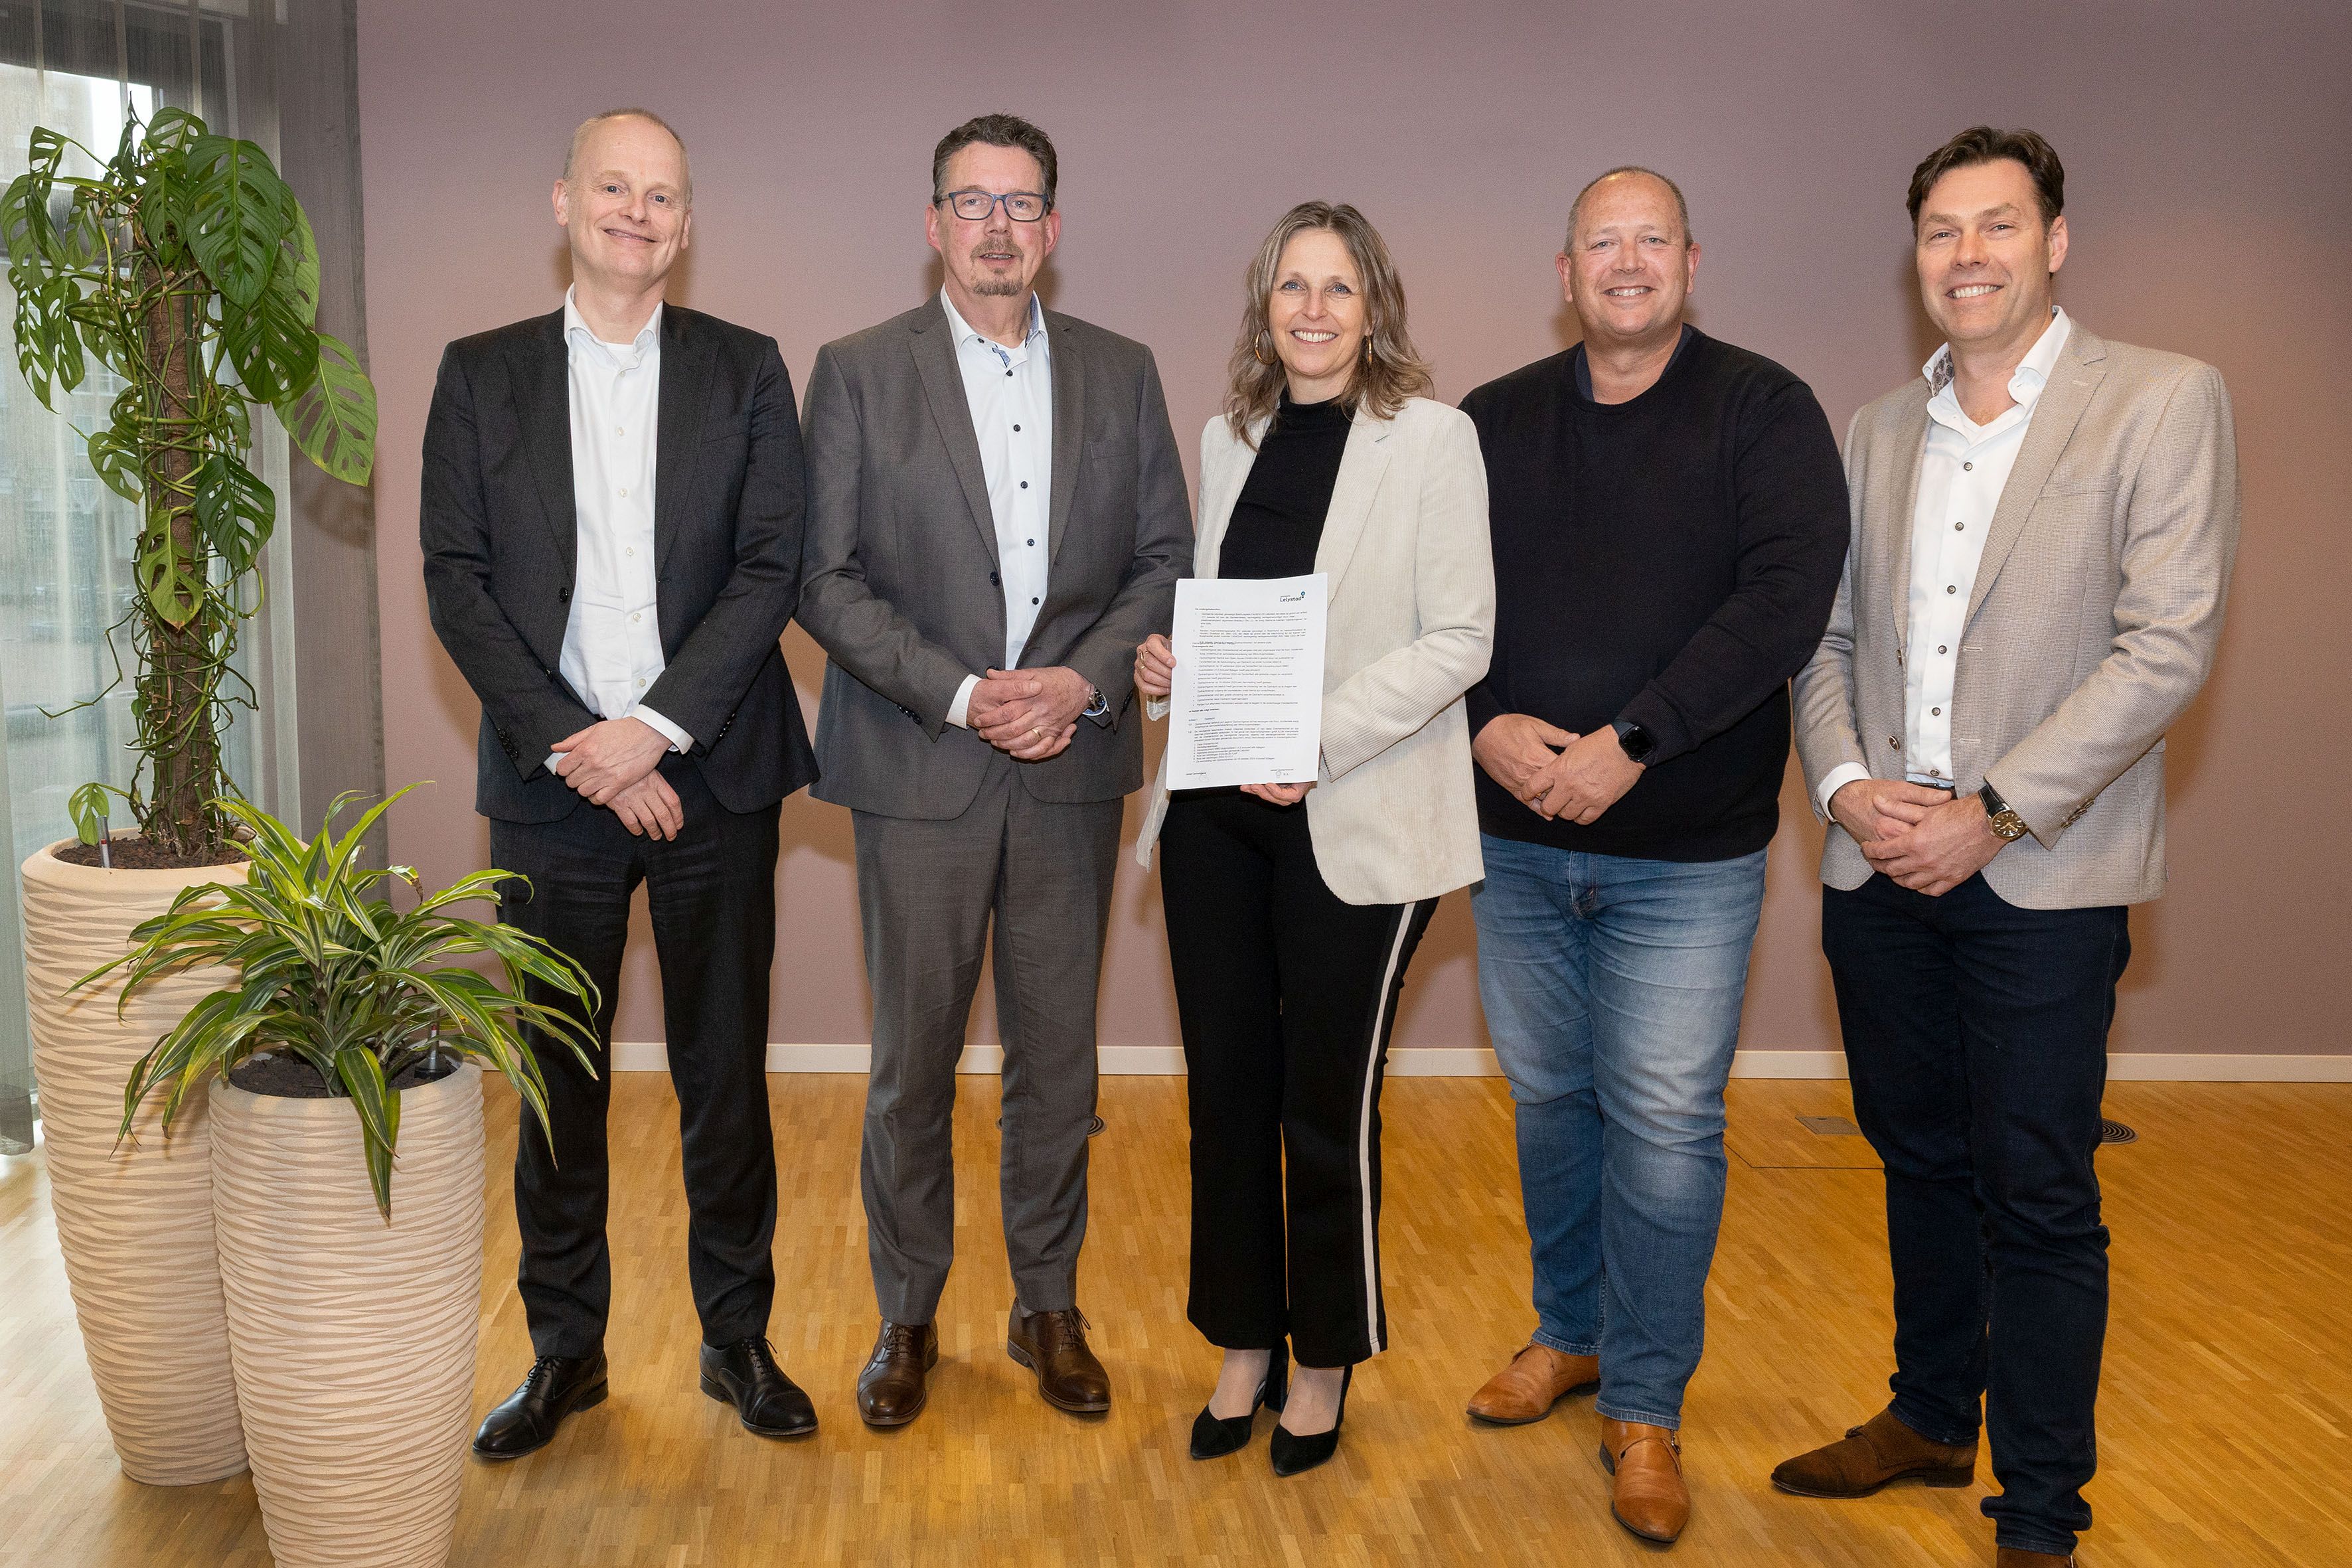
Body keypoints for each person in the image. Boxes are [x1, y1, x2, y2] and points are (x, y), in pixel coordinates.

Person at [1778, 127, 2238, 1568]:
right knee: (1911, 1154)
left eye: (1995, 226)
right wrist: (1849, 788)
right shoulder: (1871, 429)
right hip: (1877, 866)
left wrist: (1990, 811)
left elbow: (2162, 644)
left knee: (2035, 1187)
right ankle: (1927, 1412)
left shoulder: (2161, 400)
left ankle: (2038, 1506)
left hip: (2036, 872)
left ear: (2054, 241)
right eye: (1939, 232)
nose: (1964, 255)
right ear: (1912, 255)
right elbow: (1827, 638)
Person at [1457, 167, 1849, 1543]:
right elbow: (1429, 601)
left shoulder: (1763, 410)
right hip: (1507, 842)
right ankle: (1566, 1333)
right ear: (1562, 271)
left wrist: (1632, 736)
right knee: (1551, 1103)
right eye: (1598, 244)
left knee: (1669, 1129)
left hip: (1684, 850)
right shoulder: (1488, 420)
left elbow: (1785, 599)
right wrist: (1482, 719)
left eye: (1648, 240)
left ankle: (1646, 1403)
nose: (1624, 264)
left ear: (1689, 258)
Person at [422, 109, 819, 1457]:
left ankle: (736, 1341)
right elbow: (456, 583)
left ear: (686, 226)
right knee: (557, 1079)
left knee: (724, 1076)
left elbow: (770, 568)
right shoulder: (479, 375)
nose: (636, 212)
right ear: (562, 202)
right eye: (613, 187)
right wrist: (582, 747)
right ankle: (564, 1355)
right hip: (551, 788)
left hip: (711, 777)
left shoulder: (748, 370)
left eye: (662, 195)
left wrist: (650, 730)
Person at [796, 113, 1192, 1427]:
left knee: (1057, 1065)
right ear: (933, 226)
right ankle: (905, 1315)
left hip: (1070, 769)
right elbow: (823, 576)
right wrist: (967, 693)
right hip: (920, 767)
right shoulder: (855, 371)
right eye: (971, 202)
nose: (997, 226)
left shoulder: (1121, 372)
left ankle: (1046, 1303)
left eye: (1022, 204)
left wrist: (1076, 683)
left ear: (1053, 231)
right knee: (911, 1063)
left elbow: (1156, 558)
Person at [1134, 202, 1494, 1476]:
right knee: (1227, 1094)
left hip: (1361, 818)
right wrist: (1167, 667)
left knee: (1322, 1104)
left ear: (1375, 306)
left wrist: (1319, 739)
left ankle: (1326, 1357)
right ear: (1265, 305)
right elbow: (1231, 617)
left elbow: (1463, 640)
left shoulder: (1435, 440)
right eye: (1293, 285)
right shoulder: (1228, 437)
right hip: (1214, 822)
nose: (1315, 309)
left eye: (1340, 288)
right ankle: (1243, 1339)